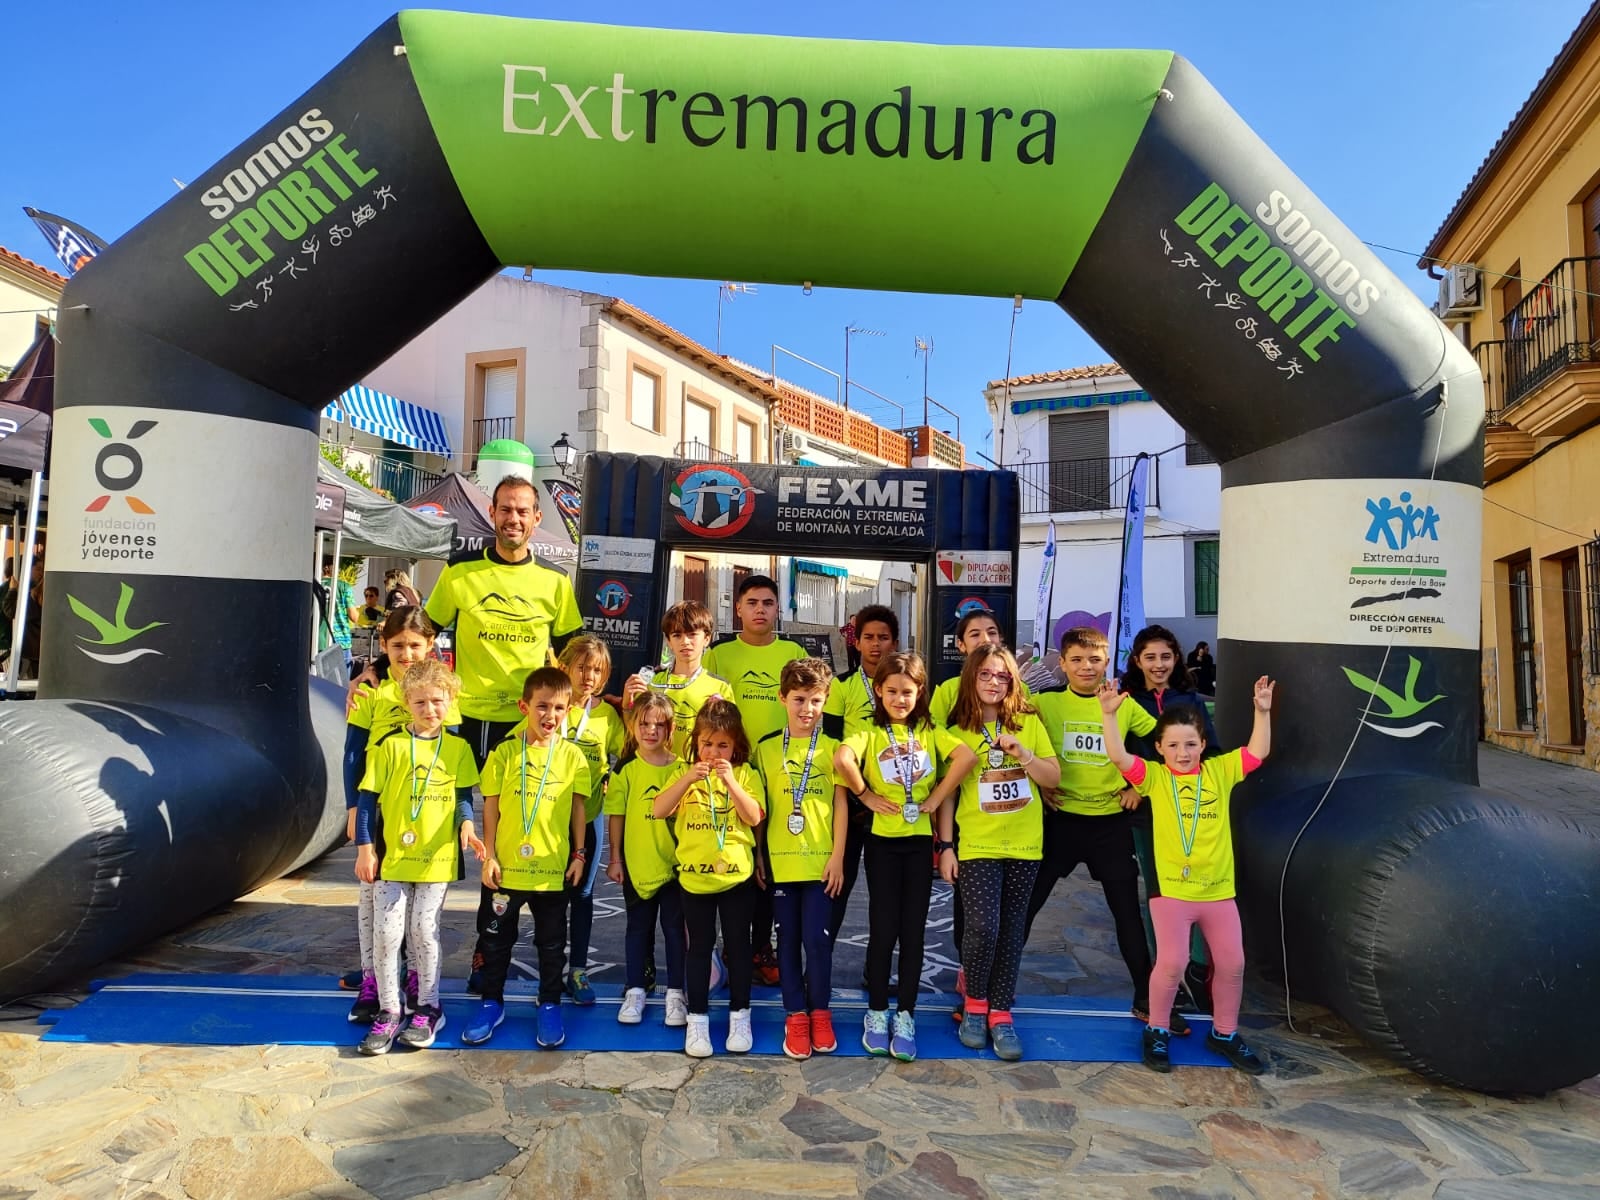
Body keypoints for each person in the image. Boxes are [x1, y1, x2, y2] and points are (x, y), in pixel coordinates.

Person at [1099, 674, 1275, 1075]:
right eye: (1173, 745)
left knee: (1232, 964)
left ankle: (1225, 1033)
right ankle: (1158, 1029)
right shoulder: (1156, 778)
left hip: (1217, 892)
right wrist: (1109, 716)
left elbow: (1257, 751)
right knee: (1173, 963)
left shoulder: (1219, 772)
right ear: (1159, 748)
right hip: (1174, 893)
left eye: (1191, 744)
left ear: (1202, 745)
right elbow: (1119, 757)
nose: (1183, 752)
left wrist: (1261, 711)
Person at [1024, 626, 1187, 1034]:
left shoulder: (1123, 705)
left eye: (1094, 660)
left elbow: (1168, 742)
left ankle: (1147, 999)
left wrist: (1139, 786)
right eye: (1076, 660)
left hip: (1110, 826)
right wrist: (1040, 787)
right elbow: (1015, 744)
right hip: (1061, 823)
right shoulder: (1044, 703)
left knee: (1127, 915)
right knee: (1026, 907)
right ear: (1061, 664)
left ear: (1107, 662)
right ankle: (992, 992)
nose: (1085, 667)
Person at [834, 651, 972, 1061]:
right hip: (881, 844)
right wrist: (865, 794)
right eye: (891, 691)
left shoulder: (929, 730)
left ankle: (906, 1015)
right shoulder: (869, 730)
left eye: (907, 692)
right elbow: (842, 758)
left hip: (917, 845)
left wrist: (936, 797)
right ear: (878, 691)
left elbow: (966, 757)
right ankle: (877, 1012)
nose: (899, 699)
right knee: (883, 930)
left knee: (914, 933)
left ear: (919, 693)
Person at [353, 659, 483, 1055]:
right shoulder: (388, 747)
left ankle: (428, 1006)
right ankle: (390, 1010)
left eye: (438, 701)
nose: (430, 710)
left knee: (424, 933)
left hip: (436, 861)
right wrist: (365, 848)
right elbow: (366, 801)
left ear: (451, 702)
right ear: (407, 701)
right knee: (387, 934)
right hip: (393, 860)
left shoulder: (458, 749)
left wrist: (467, 826)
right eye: (421, 702)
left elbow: (463, 798)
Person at [461, 667, 592, 1048]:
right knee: (496, 940)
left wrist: (580, 854)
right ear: (524, 706)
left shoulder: (571, 757)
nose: (549, 716)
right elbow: (490, 808)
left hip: (551, 871)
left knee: (552, 943)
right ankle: (491, 1003)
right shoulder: (504, 753)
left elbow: (578, 811)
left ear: (568, 711)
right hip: (507, 870)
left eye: (558, 708)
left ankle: (549, 1003)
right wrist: (490, 856)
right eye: (542, 707)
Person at [940, 644, 1059, 1060]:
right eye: (986, 674)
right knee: (981, 928)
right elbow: (949, 793)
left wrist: (1023, 754)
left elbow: (1052, 777)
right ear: (971, 677)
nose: (994, 682)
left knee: (1011, 933)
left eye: (1002, 676)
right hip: (977, 843)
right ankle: (975, 1004)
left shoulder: (1027, 723)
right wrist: (946, 846)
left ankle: (1001, 1013)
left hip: (1026, 845)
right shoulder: (956, 728)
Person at [344, 607, 461, 1021]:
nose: (407, 654)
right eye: (398, 646)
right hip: (378, 808)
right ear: (383, 646)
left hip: (424, 814)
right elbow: (353, 752)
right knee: (372, 902)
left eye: (415, 645)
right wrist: (352, 806)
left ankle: (414, 979)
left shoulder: (441, 694)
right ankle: (373, 981)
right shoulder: (370, 689)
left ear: (430, 645)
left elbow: (452, 756)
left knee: (418, 913)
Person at [422, 475, 583, 764]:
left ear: (536, 518)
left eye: (522, 512)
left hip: (527, 719)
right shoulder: (460, 570)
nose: (514, 519)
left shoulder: (556, 580)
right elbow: (421, 634)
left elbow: (573, 654)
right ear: (492, 513)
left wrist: (593, 700)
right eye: (506, 510)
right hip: (464, 715)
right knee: (458, 807)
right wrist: (376, 670)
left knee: (516, 808)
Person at [704, 574, 806, 989]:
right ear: (739, 609)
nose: (760, 609)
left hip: (782, 771)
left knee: (768, 865)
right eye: (752, 602)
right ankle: (726, 950)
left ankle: (762, 949)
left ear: (777, 608)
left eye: (768, 602)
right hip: (732, 770)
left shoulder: (793, 652)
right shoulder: (718, 655)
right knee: (730, 861)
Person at [653, 698, 766, 1057]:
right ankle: (698, 1021)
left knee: (738, 947)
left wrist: (732, 782)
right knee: (699, 949)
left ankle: (740, 1016)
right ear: (695, 742)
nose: (714, 751)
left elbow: (754, 817)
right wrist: (688, 777)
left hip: (737, 880)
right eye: (707, 743)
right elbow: (659, 809)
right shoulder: (683, 773)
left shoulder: (745, 773)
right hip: (695, 880)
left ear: (735, 746)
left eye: (723, 745)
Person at [1123, 624, 1221, 1010]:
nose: (1159, 664)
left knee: (1198, 888)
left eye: (1165, 656)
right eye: (1150, 657)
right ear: (1137, 661)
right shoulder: (1127, 699)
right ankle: (1166, 974)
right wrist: (1132, 786)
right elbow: (1119, 753)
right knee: (1159, 894)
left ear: (1176, 658)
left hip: (1191, 814)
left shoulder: (1191, 701)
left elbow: (1212, 751)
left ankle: (1197, 969)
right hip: (1147, 815)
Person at [754, 657, 847, 1060]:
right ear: (782, 698)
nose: (806, 709)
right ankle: (796, 1015)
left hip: (821, 863)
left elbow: (842, 806)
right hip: (781, 863)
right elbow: (762, 808)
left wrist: (839, 857)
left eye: (814, 700)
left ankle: (820, 1012)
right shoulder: (766, 749)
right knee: (787, 941)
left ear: (825, 700)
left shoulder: (834, 750)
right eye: (798, 700)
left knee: (818, 941)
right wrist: (759, 855)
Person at [606, 692, 688, 1027]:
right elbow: (617, 816)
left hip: (674, 868)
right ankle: (636, 991)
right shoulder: (626, 769)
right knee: (637, 930)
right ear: (633, 725)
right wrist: (615, 858)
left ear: (670, 729)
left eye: (659, 725)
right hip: (637, 865)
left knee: (674, 931)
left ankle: (676, 994)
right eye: (644, 723)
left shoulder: (682, 769)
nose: (651, 730)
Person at [553, 635, 625, 1006]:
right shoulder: (552, 706)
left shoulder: (606, 715)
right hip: (547, 819)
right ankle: (550, 970)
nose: (588, 676)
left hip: (591, 816)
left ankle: (577, 970)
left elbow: (626, 753)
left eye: (596, 670)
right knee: (547, 897)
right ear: (565, 666)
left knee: (582, 896)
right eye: (581, 667)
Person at [820, 603, 898, 946]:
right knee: (836, 886)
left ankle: (876, 971)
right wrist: (858, 791)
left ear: (894, 643)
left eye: (883, 637)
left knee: (885, 895)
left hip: (893, 801)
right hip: (850, 801)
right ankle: (817, 970)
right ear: (857, 642)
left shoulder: (905, 687)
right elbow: (832, 745)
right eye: (868, 637)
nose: (876, 644)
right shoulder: (842, 686)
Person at [622, 600, 734, 759]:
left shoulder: (720, 687)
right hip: (657, 772)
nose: (685, 642)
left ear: (707, 638)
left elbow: (728, 739)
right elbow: (634, 734)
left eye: (692, 634)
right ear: (669, 641)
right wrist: (627, 705)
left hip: (698, 774)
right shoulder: (651, 683)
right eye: (677, 635)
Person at [929, 608, 1032, 727]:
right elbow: (933, 731)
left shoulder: (1020, 688)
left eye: (992, 633)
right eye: (975, 634)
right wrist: (957, 745)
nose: (986, 640)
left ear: (1000, 640)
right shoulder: (948, 690)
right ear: (961, 645)